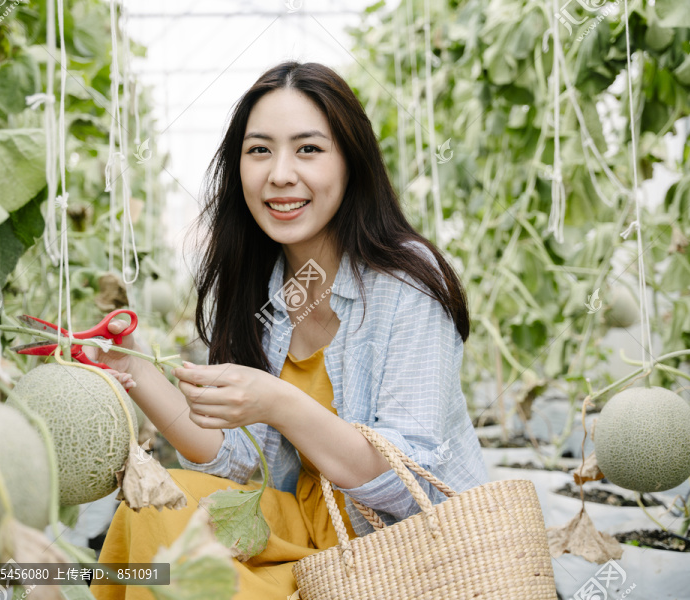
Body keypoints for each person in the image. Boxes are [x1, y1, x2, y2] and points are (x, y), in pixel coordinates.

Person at [89, 61, 488, 600]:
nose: (279, 174)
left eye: (308, 149)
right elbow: (237, 460)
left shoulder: (408, 281)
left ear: (351, 163)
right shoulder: (264, 286)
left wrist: (277, 401)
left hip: (406, 559)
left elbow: (405, 478)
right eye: (259, 150)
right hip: (303, 542)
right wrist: (130, 367)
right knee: (156, 512)